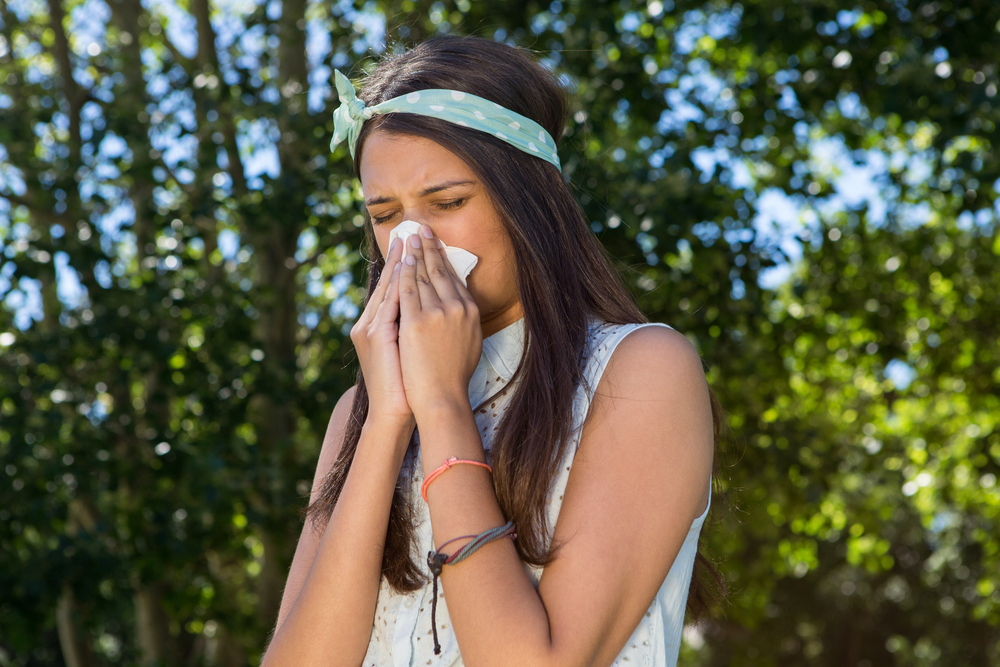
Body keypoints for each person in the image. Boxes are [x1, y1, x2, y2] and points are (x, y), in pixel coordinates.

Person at [263, 35, 721, 667]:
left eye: (448, 202)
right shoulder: (361, 412)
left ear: (530, 200)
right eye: (384, 214)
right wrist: (388, 419)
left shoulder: (640, 370)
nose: (413, 239)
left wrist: (443, 404)